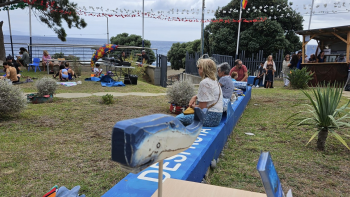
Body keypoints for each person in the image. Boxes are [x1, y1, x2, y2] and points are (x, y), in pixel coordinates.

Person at [176, 58, 223, 127]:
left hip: (209, 117)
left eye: (199, 68)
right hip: (217, 116)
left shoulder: (204, 82)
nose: (198, 70)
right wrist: (195, 96)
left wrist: (193, 106)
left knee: (177, 119)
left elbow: (202, 108)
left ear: (204, 69)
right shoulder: (214, 81)